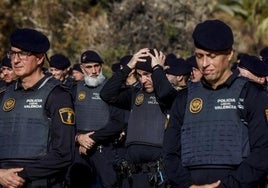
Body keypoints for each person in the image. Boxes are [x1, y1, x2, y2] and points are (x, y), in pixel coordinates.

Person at [163, 19, 268, 188]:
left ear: (229, 54)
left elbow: (263, 152)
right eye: (199, 56)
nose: (205, 64)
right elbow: (169, 153)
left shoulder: (252, 95)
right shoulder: (184, 98)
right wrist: (188, 185)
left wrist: (226, 186)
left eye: (212, 57)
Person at [0, 28, 76, 188]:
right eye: (13, 53)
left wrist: (21, 175)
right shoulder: (4, 95)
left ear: (40, 58)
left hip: (40, 182)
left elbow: (64, 153)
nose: (15, 60)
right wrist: (1, 174)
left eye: (23, 54)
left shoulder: (57, 96)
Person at [100, 48, 168, 188]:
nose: (143, 80)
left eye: (148, 75)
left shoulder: (170, 95)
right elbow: (106, 94)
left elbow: (168, 94)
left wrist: (159, 72)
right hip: (134, 172)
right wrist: (128, 66)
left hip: (158, 171)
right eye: (139, 75)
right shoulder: (135, 94)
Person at [69, 50, 125, 188]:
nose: (93, 70)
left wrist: (92, 139)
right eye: (89, 67)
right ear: (82, 68)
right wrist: (79, 138)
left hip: (103, 148)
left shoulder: (111, 88)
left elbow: (117, 122)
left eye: (96, 66)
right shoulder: (74, 89)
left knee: (110, 183)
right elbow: (67, 122)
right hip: (78, 149)